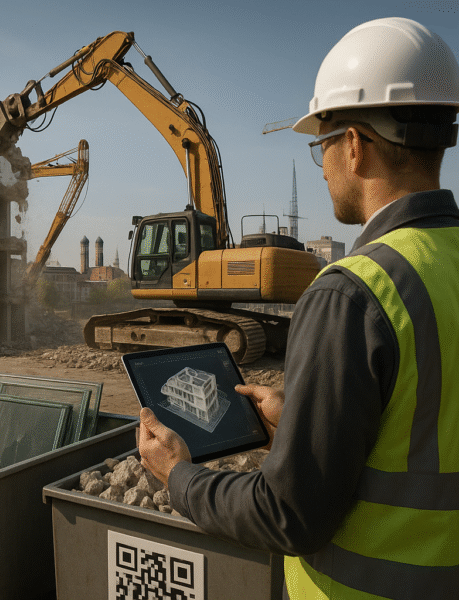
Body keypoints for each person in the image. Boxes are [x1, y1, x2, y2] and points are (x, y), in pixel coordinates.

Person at [138, 17, 459, 600]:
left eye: (323, 145)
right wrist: (308, 425)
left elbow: (289, 515)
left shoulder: (354, 293)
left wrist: (179, 477)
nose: (326, 165)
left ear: (355, 144)